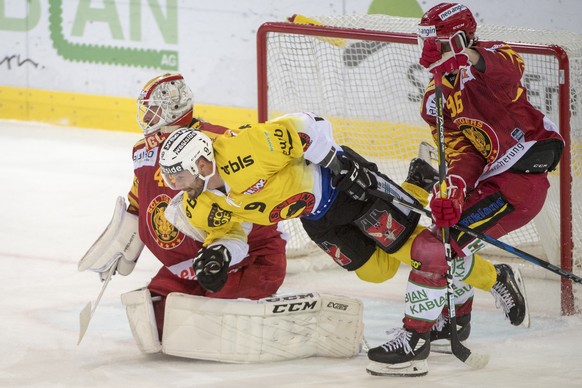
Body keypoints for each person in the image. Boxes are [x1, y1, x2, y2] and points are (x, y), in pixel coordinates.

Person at [158, 110, 529, 374]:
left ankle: (496, 278)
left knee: (417, 252)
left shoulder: (244, 150)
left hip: (347, 190)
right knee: (377, 272)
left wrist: (335, 161)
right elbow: (232, 233)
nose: (171, 184)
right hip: (316, 219)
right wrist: (220, 254)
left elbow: (308, 125)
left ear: (203, 163)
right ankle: (419, 180)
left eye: (177, 174)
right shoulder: (199, 205)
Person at [362, 1, 565, 376]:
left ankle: (413, 341)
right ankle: (452, 323)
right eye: (426, 40)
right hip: (489, 181)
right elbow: (462, 151)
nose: (429, 48)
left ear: (459, 38)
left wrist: (468, 57)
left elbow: (509, 67)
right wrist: (453, 187)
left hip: (520, 183)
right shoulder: (435, 94)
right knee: (442, 242)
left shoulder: (491, 61)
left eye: (437, 41)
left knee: (431, 247)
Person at [78, 73, 287, 344]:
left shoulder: (219, 141)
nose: (147, 117)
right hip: (188, 266)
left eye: (153, 110)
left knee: (214, 322)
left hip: (246, 257)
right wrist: (123, 241)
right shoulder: (143, 151)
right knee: (157, 319)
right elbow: (138, 201)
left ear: (173, 109)